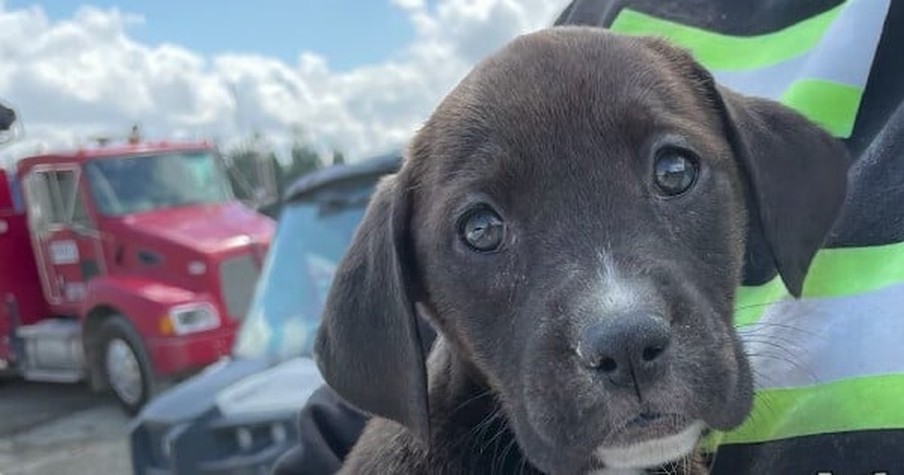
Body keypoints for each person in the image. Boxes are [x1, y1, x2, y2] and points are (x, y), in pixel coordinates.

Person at [274, 0, 904, 472]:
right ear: (410, 283)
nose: (621, 321)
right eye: (482, 229)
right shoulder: (602, 14)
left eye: (674, 171)